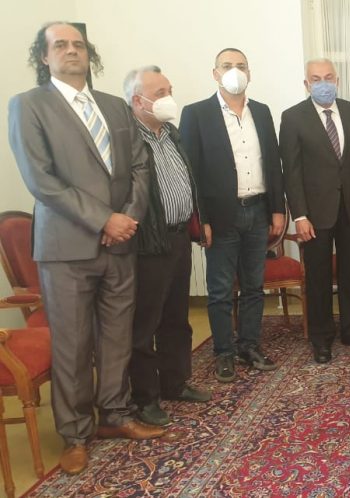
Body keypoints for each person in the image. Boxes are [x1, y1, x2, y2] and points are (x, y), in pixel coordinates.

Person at [8, 22, 165, 475]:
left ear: (89, 53)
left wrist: (127, 218)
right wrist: (103, 220)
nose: (71, 50)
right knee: (73, 345)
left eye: (78, 44)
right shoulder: (28, 105)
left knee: (117, 338)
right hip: (67, 249)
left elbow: (140, 167)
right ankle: (75, 434)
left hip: (120, 244)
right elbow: (41, 180)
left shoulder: (114, 106)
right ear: (44, 57)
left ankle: (114, 415)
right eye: (60, 45)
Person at [179, 48, 285, 382]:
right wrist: (202, 219)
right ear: (215, 73)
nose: (234, 71)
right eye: (227, 66)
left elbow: (273, 163)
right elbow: (190, 171)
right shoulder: (196, 114)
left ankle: (249, 345)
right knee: (221, 289)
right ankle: (223, 352)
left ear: (249, 73)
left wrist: (278, 208)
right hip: (220, 216)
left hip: (257, 211)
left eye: (241, 66)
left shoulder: (262, 112)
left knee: (254, 286)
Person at [124, 66, 212, 426]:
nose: (168, 98)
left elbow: (189, 180)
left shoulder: (172, 134)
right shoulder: (128, 139)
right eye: (160, 93)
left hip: (178, 237)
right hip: (149, 242)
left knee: (177, 316)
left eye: (169, 90)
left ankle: (175, 382)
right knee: (145, 323)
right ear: (138, 100)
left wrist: (199, 219)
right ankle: (145, 397)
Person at [280, 59, 350, 364]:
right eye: (316, 78)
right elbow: (291, 172)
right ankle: (321, 337)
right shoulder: (292, 117)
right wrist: (300, 215)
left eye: (328, 77)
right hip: (314, 214)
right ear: (306, 84)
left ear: (337, 80)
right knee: (318, 277)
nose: (323, 83)